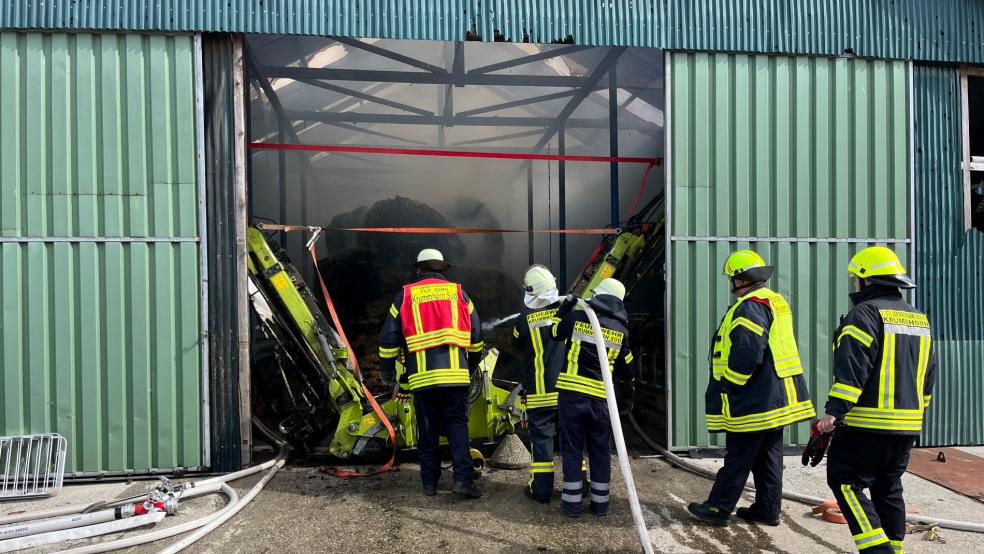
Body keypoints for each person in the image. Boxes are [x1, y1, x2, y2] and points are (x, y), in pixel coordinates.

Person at [816, 246, 937, 553]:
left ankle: (878, 551)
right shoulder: (918, 318)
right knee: (888, 487)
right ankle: (894, 549)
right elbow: (929, 373)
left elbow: (853, 367)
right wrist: (918, 412)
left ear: (867, 280)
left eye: (856, 278)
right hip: (907, 426)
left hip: (867, 424)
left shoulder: (864, 314)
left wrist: (834, 412)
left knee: (845, 482)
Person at [688, 250, 815, 527]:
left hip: (755, 398)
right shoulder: (774, 301)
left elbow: (748, 351)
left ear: (739, 280)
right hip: (776, 397)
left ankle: (718, 507)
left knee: (739, 455)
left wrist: (730, 385)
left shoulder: (749, 307)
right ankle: (768, 509)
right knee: (769, 456)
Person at [378, 248, 485, 498]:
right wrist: (470, 366)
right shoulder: (458, 293)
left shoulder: (405, 295)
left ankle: (429, 483)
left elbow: (388, 340)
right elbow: (477, 336)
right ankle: (462, 480)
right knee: (457, 428)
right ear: (441, 269)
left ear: (419, 269)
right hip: (456, 377)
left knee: (427, 430)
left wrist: (388, 374)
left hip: (422, 380)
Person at [551, 278, 633, 518]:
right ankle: (600, 505)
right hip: (601, 401)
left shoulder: (578, 317)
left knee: (572, 449)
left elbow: (554, 332)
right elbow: (628, 370)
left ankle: (572, 506)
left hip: (572, 397)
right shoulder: (622, 330)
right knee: (600, 451)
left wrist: (565, 307)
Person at [512, 265, 567, 503]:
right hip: (567, 392)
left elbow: (516, 344)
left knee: (542, 443)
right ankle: (579, 486)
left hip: (539, 392)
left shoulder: (523, 320)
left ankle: (542, 490)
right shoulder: (568, 313)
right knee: (572, 440)